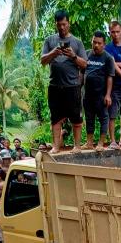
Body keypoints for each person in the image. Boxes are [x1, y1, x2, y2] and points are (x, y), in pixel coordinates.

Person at [40, 10, 88, 154]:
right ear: (55, 24)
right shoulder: (49, 41)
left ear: (69, 24)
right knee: (55, 118)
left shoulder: (77, 42)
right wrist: (53, 53)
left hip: (72, 86)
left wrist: (73, 56)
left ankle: (77, 146)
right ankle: (56, 146)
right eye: (59, 24)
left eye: (64, 24)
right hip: (55, 86)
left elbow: (85, 64)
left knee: (76, 117)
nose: (61, 27)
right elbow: (43, 60)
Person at [83, 31, 115, 149]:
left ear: (104, 44)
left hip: (101, 94)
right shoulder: (86, 54)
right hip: (87, 94)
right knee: (89, 118)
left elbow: (110, 77)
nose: (96, 45)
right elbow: (81, 72)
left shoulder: (108, 58)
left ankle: (101, 143)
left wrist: (108, 95)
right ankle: (89, 143)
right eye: (94, 42)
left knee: (103, 118)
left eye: (99, 43)